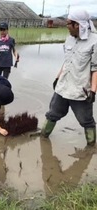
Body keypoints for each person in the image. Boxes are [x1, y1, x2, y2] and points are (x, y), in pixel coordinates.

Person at [41, 9, 97, 146]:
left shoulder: (94, 41)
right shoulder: (69, 39)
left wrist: (93, 91)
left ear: (77, 24)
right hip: (63, 86)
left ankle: (90, 147)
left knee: (86, 120)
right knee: (52, 113)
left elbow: (95, 68)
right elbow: (67, 62)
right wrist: (57, 78)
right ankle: (43, 136)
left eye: (68, 24)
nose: (66, 26)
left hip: (80, 89)